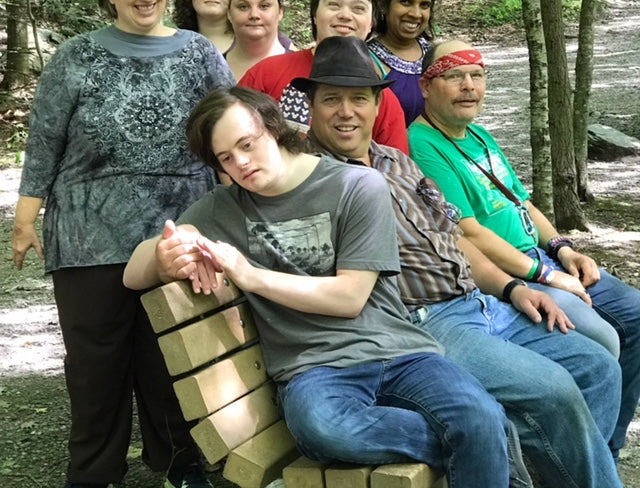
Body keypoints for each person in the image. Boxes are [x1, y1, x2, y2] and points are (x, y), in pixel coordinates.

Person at [123, 86, 522, 488]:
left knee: (476, 414)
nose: (241, 163)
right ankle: (483, 443)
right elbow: (131, 274)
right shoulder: (225, 208)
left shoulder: (356, 185)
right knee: (324, 430)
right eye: (226, 157)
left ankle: (481, 437)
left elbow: (349, 298)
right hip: (312, 370)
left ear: (274, 129)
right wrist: (165, 254)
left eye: (248, 144)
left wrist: (249, 275)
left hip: (401, 354)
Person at [294, 35, 624, 488]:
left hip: (483, 302)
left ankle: (570, 471)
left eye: (359, 98)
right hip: (427, 322)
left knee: (598, 368)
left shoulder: (395, 162)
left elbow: (453, 236)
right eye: (331, 99)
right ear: (310, 105)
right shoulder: (308, 176)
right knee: (555, 391)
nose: (346, 112)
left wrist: (512, 288)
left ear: (377, 105)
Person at [12, 0, 235, 488]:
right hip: (88, 230)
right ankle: (93, 472)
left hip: (182, 225)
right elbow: (45, 141)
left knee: (175, 356)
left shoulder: (199, 52)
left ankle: (180, 463)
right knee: (95, 366)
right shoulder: (75, 55)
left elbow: (231, 129)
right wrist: (24, 218)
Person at [408, 38, 640, 461]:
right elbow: (470, 234)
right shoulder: (422, 145)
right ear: (426, 86)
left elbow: (523, 202)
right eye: (454, 76)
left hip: (544, 257)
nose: (468, 86)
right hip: (515, 274)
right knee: (603, 341)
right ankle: (579, 457)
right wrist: (549, 276)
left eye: (476, 75)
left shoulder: (479, 134)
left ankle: (605, 446)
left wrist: (563, 249)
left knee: (636, 313)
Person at [239, 0, 409, 152]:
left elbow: (396, 170)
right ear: (314, 14)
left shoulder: (381, 97)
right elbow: (232, 137)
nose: (345, 15)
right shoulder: (267, 73)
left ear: (371, 23)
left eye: (358, 8)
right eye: (334, 5)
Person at [368, 0, 436, 126]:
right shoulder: (366, 60)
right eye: (405, 2)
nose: (415, 14)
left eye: (424, 5)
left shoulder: (437, 56)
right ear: (385, 5)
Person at [224, 0, 294, 80]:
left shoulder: (303, 69)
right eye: (243, 7)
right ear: (229, 14)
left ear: (280, 12)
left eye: (264, 6)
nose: (254, 15)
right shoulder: (210, 69)